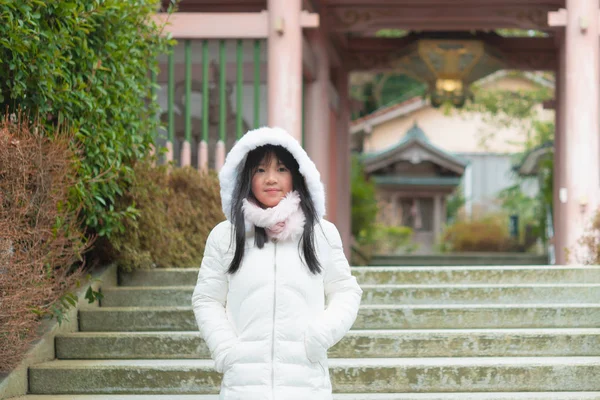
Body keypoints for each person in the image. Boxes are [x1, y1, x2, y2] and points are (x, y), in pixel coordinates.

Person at [191, 126, 363, 400]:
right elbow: (206, 299)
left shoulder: (320, 233)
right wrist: (225, 349)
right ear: (247, 176)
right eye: (260, 170)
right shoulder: (225, 235)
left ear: (297, 175)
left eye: (281, 169)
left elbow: (345, 291)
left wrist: (318, 337)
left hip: (307, 383)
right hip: (243, 386)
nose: (271, 179)